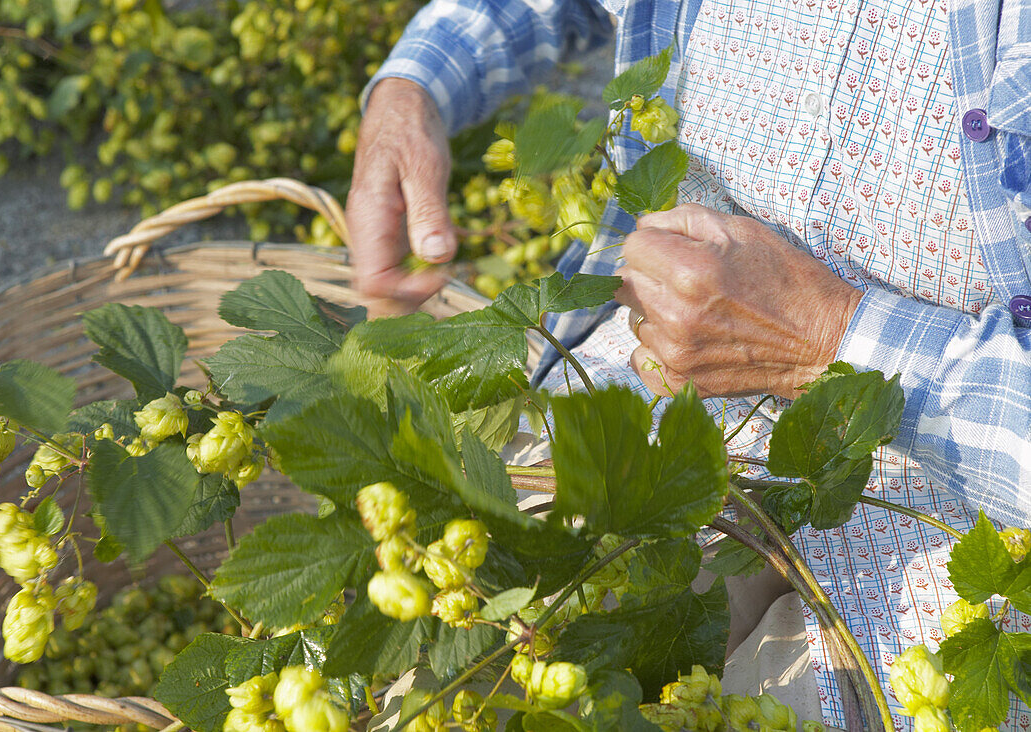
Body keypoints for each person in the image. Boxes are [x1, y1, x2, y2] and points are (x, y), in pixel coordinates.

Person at [345, 0, 1031, 727]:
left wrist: (827, 336)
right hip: (656, 380)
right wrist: (416, 82)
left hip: (958, 515)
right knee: (454, 669)